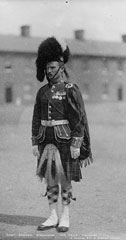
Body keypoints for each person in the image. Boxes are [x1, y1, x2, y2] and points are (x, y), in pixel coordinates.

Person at [31, 37, 92, 232]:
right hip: (45, 140)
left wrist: (76, 143)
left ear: (61, 67)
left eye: (52, 67)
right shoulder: (42, 92)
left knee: (64, 178)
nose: (49, 71)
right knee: (50, 178)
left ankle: (65, 216)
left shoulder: (70, 90)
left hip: (65, 141)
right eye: (46, 68)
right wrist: (34, 141)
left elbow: (79, 119)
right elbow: (36, 117)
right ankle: (52, 215)